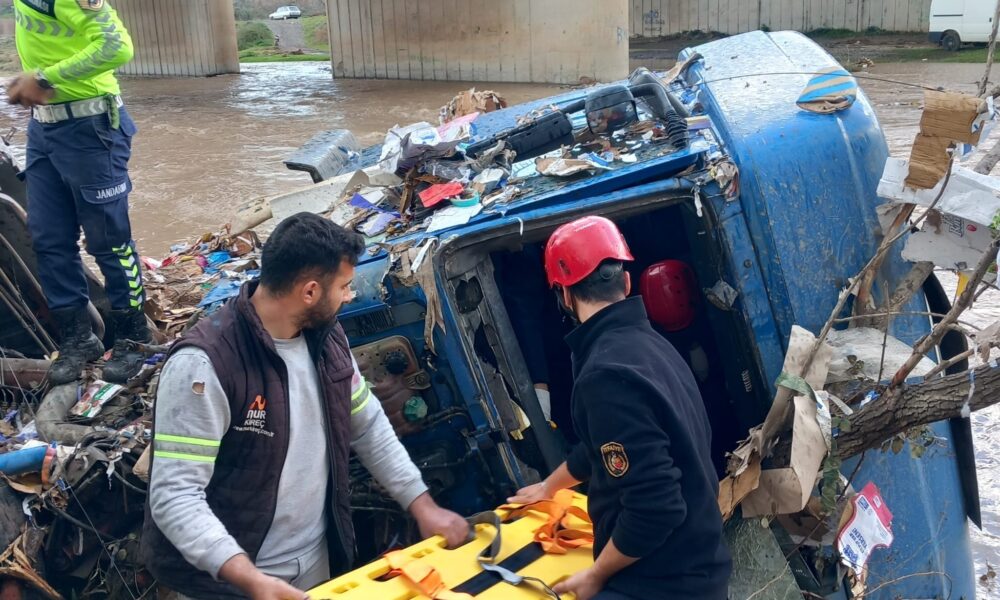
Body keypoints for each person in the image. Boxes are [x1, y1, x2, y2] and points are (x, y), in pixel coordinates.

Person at [142, 213, 469, 599]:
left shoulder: (329, 340)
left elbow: (369, 427)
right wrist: (251, 580)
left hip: (315, 561)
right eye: (344, 286)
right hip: (226, 581)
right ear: (310, 292)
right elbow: (175, 496)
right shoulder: (204, 366)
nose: (349, 296)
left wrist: (422, 504)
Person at [509, 216, 732, 600]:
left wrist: (597, 574)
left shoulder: (606, 376)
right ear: (626, 282)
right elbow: (601, 448)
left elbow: (656, 508)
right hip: (698, 566)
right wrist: (548, 487)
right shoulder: (652, 347)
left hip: (661, 584)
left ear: (565, 296)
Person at [6, 0, 150, 385]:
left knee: (109, 241)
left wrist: (44, 78)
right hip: (43, 130)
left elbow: (116, 47)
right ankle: (78, 338)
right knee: (48, 238)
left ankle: (134, 336)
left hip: (92, 127)